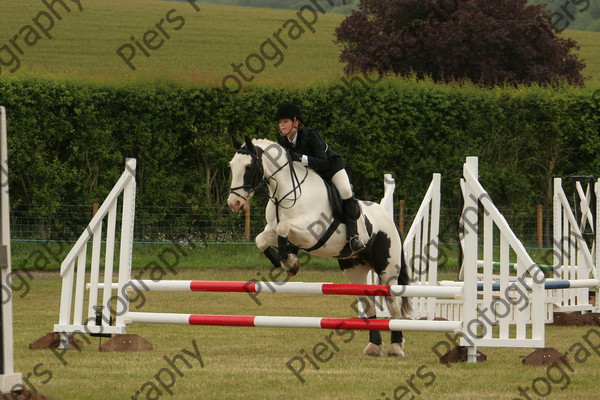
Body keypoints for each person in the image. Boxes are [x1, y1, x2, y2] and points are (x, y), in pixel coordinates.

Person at [274, 102, 365, 252]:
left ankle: (353, 236)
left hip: (331, 168)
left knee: (345, 190)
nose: (282, 125)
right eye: (280, 122)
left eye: (285, 121)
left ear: (296, 123)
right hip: (311, 175)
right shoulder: (282, 141)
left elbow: (323, 162)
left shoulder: (310, 135)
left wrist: (298, 157)